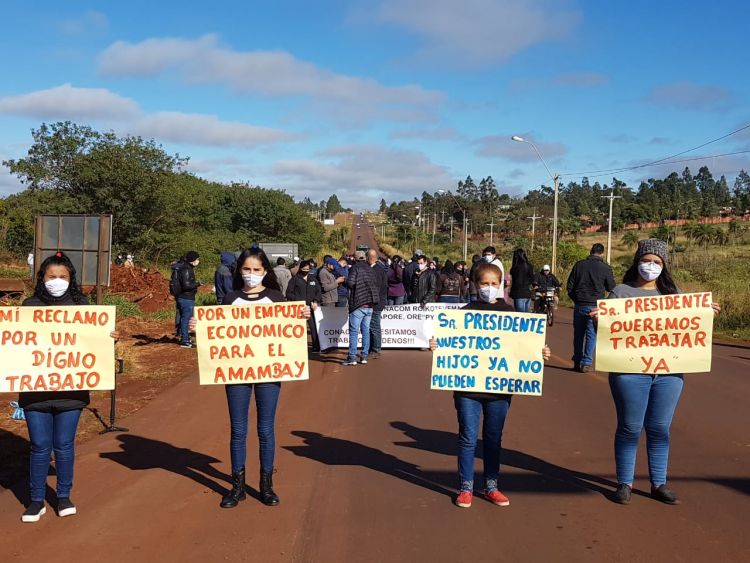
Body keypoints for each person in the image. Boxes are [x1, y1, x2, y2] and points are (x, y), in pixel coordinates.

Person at [595, 239, 720, 505]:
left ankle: (659, 483)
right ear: (637, 261)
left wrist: (704, 314)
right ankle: (624, 483)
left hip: (669, 373)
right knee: (630, 427)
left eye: (656, 262)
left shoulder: (674, 293)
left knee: (660, 428)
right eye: (646, 260)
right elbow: (606, 336)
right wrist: (599, 321)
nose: (650, 266)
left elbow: (689, 325)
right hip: (629, 372)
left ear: (664, 266)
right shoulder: (620, 293)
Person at [189, 247, 311, 508]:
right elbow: (216, 335)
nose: (251, 274)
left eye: (256, 270)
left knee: (265, 429)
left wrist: (302, 317)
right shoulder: (230, 299)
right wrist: (199, 328)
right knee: (238, 430)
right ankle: (238, 487)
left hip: (269, 373)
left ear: (265, 271)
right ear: (239, 271)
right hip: (237, 373)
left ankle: (266, 486)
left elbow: (290, 334)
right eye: (246, 269)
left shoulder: (277, 299)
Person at [429, 262, 551, 508]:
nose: (488, 288)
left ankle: (491, 486)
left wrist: (541, 352)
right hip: (467, 389)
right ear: (474, 284)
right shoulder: (461, 314)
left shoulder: (514, 316)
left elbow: (524, 348)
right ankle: (466, 487)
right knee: (467, 438)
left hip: (500, 390)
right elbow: (449, 345)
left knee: (493, 439)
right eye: (484, 283)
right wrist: (437, 346)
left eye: (493, 284)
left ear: (501, 286)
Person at [19, 252, 118, 522]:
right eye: (52, 277)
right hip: (34, 391)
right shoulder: (28, 307)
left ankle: (63, 496)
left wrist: (109, 337)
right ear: (42, 278)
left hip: (71, 392)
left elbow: (94, 347)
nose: (57, 281)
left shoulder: (83, 307)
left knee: (63, 445)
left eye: (63, 277)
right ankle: (36, 500)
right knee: (39, 446)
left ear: (71, 278)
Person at [566, 243, 615, 372]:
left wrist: (576, 300)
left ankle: (577, 360)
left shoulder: (579, 265)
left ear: (590, 251)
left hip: (580, 304)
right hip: (596, 306)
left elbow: (570, 287)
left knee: (578, 335)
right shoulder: (606, 268)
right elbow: (611, 288)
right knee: (591, 334)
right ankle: (586, 362)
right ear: (602, 253)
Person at [342, 250, 380, 366]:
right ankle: (364, 356)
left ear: (355, 258)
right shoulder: (370, 269)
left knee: (353, 332)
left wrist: (344, 281)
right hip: (370, 304)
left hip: (358, 303)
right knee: (366, 331)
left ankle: (352, 357)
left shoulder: (355, 268)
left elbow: (351, 283)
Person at [285, 260, 322, 353]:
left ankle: (316, 347)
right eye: (304, 269)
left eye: (308, 269)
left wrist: (316, 301)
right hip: (298, 308)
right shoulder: (294, 280)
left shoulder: (313, 279)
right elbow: (288, 293)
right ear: (300, 269)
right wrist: (299, 301)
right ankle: (296, 348)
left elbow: (318, 291)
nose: (306, 270)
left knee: (313, 327)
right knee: (297, 328)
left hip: (310, 308)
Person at [174, 251, 201, 348]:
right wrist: (197, 284)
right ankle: (185, 340)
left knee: (183, 318)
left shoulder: (185, 268)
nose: (198, 261)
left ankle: (184, 338)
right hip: (186, 298)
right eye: (197, 259)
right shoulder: (186, 269)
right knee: (186, 319)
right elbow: (187, 285)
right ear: (192, 259)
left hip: (183, 297)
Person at [367, 250, 388, 359]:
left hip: (376, 303)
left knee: (374, 326)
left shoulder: (376, 270)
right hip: (376, 301)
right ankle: (372, 348)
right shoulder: (379, 269)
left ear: (369, 258)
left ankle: (376, 349)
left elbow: (376, 288)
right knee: (372, 326)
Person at [508, 248, 534, 312]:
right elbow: (532, 279)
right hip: (528, 293)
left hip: (519, 293)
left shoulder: (516, 267)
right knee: (526, 316)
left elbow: (516, 282)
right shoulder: (529, 265)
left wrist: (511, 292)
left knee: (520, 315)